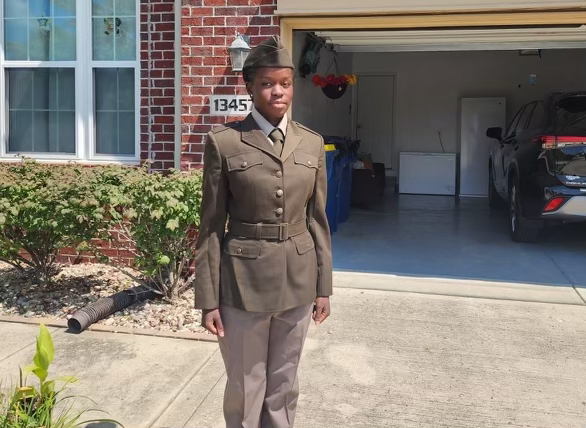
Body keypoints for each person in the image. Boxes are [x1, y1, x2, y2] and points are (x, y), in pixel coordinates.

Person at [194, 36, 333, 428]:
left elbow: (317, 221)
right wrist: (209, 299)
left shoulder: (312, 142)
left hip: (299, 281)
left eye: (285, 83)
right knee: (245, 384)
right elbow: (209, 227)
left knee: (284, 385)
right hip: (242, 283)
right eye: (268, 83)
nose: (278, 91)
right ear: (249, 87)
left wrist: (324, 287)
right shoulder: (223, 143)